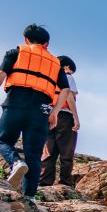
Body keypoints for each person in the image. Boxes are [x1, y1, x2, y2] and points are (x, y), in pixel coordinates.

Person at [0, 24, 71, 196]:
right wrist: (54, 113)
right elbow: (65, 90)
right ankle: (29, 197)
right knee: (34, 154)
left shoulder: (16, 53)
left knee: (3, 140)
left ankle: (15, 162)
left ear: (26, 39)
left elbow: (1, 73)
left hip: (16, 102)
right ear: (47, 43)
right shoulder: (56, 64)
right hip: (41, 110)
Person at [39, 55, 79, 187]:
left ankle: (44, 183)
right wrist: (75, 117)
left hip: (47, 115)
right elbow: (69, 97)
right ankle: (65, 183)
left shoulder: (47, 77)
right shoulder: (68, 76)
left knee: (48, 151)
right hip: (64, 115)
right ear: (67, 67)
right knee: (66, 152)